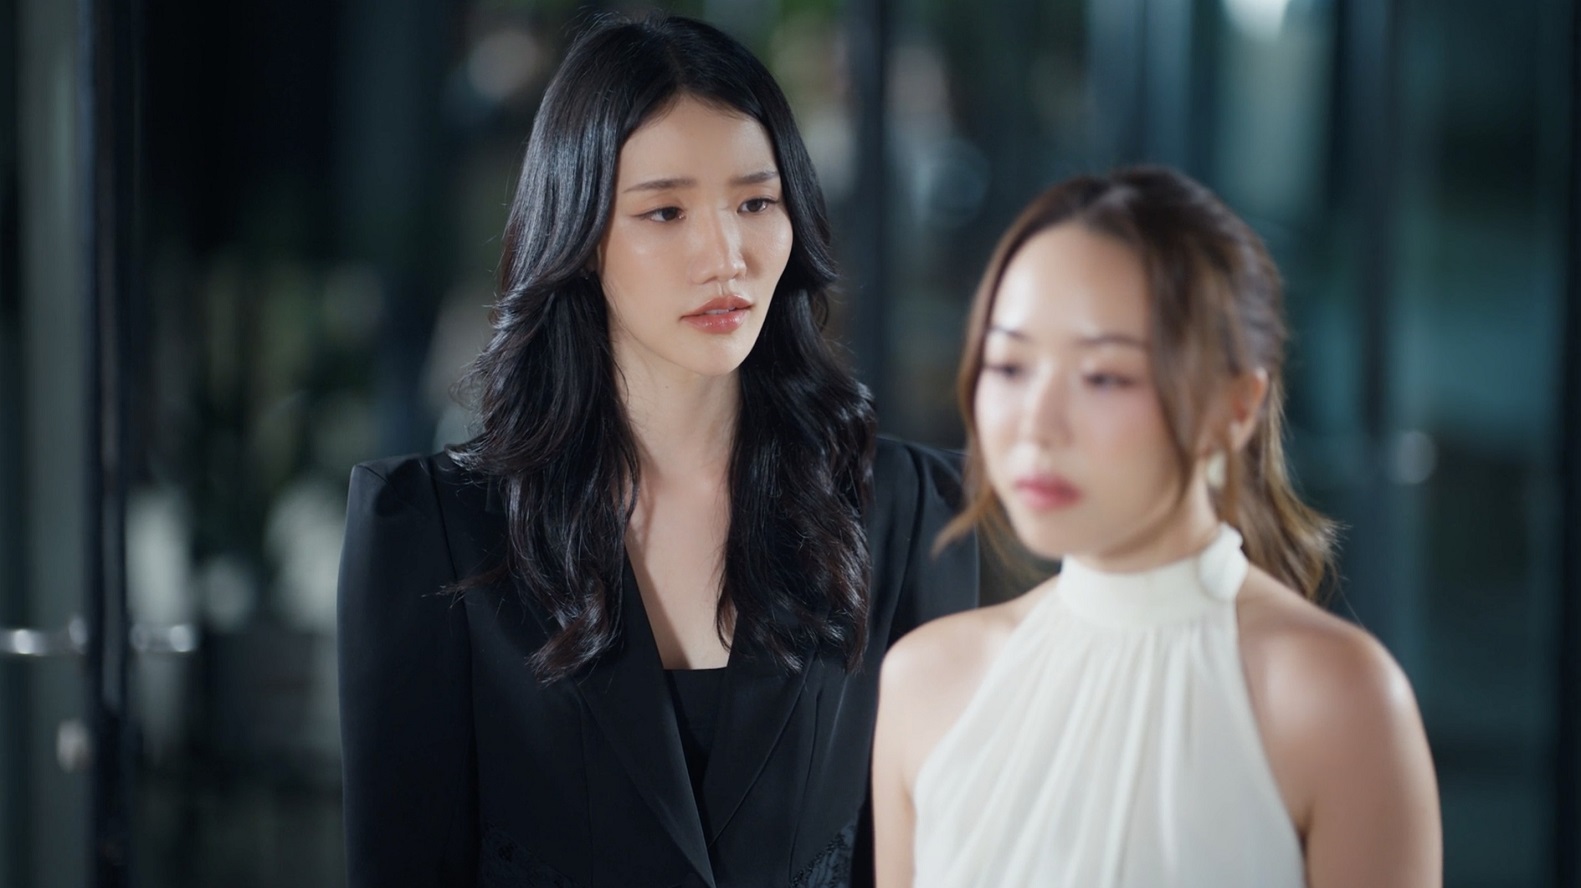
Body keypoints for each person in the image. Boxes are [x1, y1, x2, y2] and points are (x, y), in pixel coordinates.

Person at [336, 11, 978, 888]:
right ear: (579, 236)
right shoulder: (433, 531)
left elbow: (935, 853)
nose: (725, 256)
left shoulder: (907, 510)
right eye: (665, 211)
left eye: (755, 203)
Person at [871, 167, 1441, 887]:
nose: (1036, 425)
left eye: (1104, 377)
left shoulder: (1335, 698)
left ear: (1234, 407)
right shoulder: (927, 680)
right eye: (1009, 366)